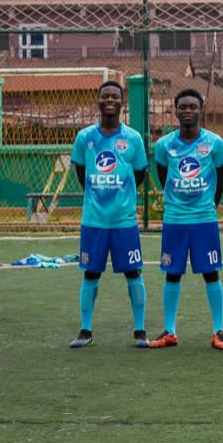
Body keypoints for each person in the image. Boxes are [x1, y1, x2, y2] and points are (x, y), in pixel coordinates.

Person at [148, 89, 223, 350]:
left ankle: (218, 331)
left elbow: (222, 178)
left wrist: (210, 204)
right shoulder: (164, 145)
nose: (187, 111)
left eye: (192, 107)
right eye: (182, 106)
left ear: (200, 110)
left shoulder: (214, 142)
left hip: (204, 219)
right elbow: (164, 175)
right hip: (175, 219)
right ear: (175, 110)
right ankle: (169, 331)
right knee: (172, 273)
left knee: (211, 273)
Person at [69, 81, 149, 348]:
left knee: (133, 272)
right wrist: (98, 194)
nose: (110, 100)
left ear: (122, 102)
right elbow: (81, 172)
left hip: (124, 221)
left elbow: (139, 173)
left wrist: (121, 196)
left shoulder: (133, 139)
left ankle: (140, 330)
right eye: (106, 96)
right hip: (94, 221)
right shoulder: (85, 138)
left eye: (115, 96)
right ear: (99, 101)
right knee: (91, 273)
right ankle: (85, 330)